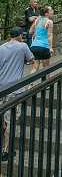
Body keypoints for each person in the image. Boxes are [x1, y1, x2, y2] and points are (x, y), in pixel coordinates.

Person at [0, 27, 34, 160]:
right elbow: (31, 60)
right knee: (11, 120)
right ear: (20, 36)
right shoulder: (22, 46)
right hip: (15, 89)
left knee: (3, 116)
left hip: (2, 87)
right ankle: (5, 150)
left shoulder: (1, 47)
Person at [29, 5, 54, 74]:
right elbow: (49, 35)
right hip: (44, 46)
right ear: (46, 13)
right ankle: (46, 84)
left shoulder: (37, 20)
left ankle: (30, 84)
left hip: (34, 46)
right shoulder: (49, 22)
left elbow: (30, 31)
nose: (52, 12)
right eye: (51, 10)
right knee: (46, 68)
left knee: (35, 67)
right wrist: (51, 47)